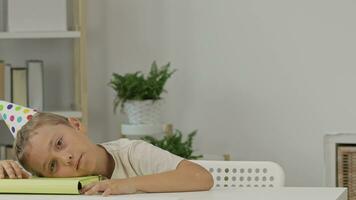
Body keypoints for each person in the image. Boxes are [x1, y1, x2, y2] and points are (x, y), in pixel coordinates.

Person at [0, 101, 213, 196]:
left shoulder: (132, 153)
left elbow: (201, 177)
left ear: (76, 125)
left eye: (59, 143)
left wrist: (126, 185)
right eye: (52, 165)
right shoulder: (59, 185)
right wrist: (6, 173)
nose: (66, 158)